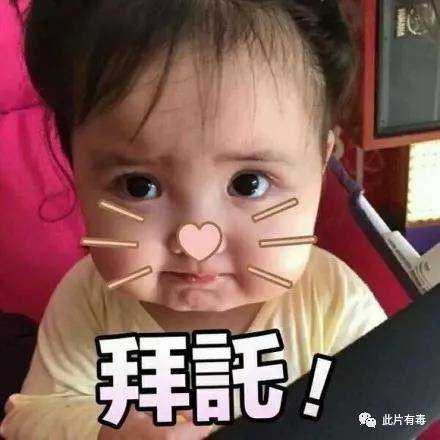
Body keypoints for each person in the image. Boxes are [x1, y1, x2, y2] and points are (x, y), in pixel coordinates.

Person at [1, 1, 387, 438]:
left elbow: (390, 414)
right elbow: (29, 418)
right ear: (76, 171)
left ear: (321, 163)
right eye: (139, 186)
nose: (197, 237)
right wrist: (109, 433)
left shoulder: (334, 303)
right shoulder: (90, 302)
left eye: (249, 184)